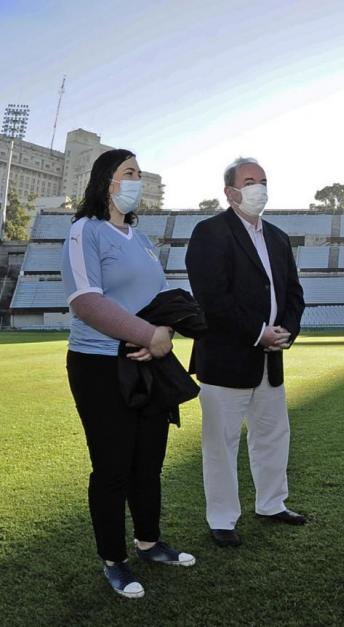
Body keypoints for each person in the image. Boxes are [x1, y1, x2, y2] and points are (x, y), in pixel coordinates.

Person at [62, 149, 195, 599]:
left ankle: (150, 542)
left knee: (148, 463)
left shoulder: (142, 239)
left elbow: (157, 301)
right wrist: (148, 334)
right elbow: (86, 301)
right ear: (106, 182)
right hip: (99, 364)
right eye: (129, 173)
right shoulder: (85, 231)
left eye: (139, 173)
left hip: (147, 363)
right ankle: (114, 560)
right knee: (113, 467)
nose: (137, 179)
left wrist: (164, 332)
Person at [186, 157, 306, 548]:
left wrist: (285, 331)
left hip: (271, 361)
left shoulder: (278, 237)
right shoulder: (209, 233)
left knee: (273, 436)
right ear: (230, 192)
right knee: (221, 443)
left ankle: (272, 503)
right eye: (250, 180)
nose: (259, 187)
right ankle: (222, 518)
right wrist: (258, 333)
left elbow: (293, 294)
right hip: (225, 361)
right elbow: (212, 298)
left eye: (263, 180)